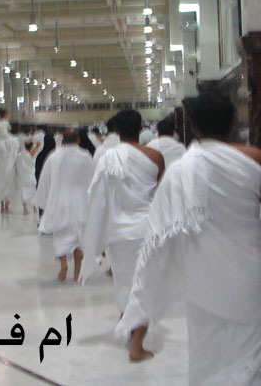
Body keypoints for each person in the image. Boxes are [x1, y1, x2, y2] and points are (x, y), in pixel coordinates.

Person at [116, 91, 261, 383]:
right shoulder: (255, 158)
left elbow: (159, 235)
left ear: (193, 127)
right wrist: (251, 240)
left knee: (208, 346)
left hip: (203, 272)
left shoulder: (182, 169)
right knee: (251, 345)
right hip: (247, 268)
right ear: (232, 124)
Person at [81, 109, 164, 362]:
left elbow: (97, 198)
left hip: (118, 232)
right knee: (143, 285)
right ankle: (136, 345)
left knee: (124, 283)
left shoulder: (107, 157)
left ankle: (128, 323)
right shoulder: (155, 157)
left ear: (115, 131)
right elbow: (159, 192)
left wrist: (96, 238)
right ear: (141, 128)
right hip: (146, 228)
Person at [34, 129, 95, 282]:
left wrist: (42, 201)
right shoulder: (86, 156)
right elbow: (93, 179)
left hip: (59, 200)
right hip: (81, 202)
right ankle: (77, 271)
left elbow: (44, 179)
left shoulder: (54, 156)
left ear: (63, 140)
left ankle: (63, 266)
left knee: (61, 235)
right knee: (78, 238)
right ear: (78, 139)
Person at [0, 108, 19, 213]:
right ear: (5, 114)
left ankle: (4, 204)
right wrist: (13, 139)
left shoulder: (2, 124)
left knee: (6, 179)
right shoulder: (2, 124)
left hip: (2, 147)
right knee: (6, 178)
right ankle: (3, 204)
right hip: (2, 148)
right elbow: (3, 135)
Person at [17, 139, 41, 215]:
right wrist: (32, 140)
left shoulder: (20, 154)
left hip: (23, 176)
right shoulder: (31, 153)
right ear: (31, 146)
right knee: (33, 192)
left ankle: (25, 208)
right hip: (31, 176)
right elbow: (39, 143)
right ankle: (34, 207)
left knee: (23, 192)